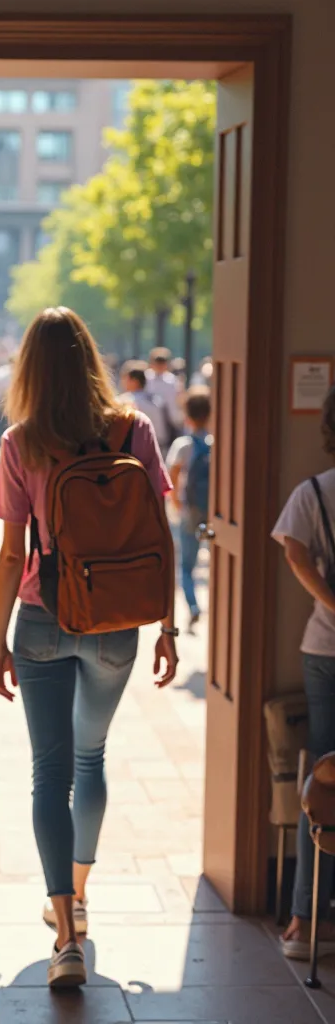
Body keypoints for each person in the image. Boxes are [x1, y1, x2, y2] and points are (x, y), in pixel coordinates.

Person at [0, 307, 178, 988]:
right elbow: (161, 531)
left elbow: (12, 551)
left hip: (42, 617)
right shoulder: (135, 429)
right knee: (92, 755)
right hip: (115, 619)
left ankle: (64, 932)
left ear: (30, 369)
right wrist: (170, 627)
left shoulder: (22, 441)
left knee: (50, 772)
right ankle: (83, 891)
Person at [272, 386, 335, 962]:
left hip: (327, 647)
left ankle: (307, 914)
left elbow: (292, 550)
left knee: (325, 777)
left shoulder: (315, 491)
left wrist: (331, 601)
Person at [167, 388, 213, 631]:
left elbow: (171, 478)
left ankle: (193, 606)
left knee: (187, 566)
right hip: (214, 511)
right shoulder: (215, 444)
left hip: (190, 509)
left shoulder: (183, 445)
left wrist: (177, 504)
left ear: (187, 416)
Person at [120, 360, 168, 450]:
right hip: (159, 447)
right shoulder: (157, 401)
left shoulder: (123, 401)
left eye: (125, 378)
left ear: (134, 381)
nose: (122, 382)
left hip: (134, 450)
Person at [146, 347, 183, 453]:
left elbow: (176, 400)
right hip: (151, 416)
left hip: (169, 418)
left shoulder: (172, 381)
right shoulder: (146, 378)